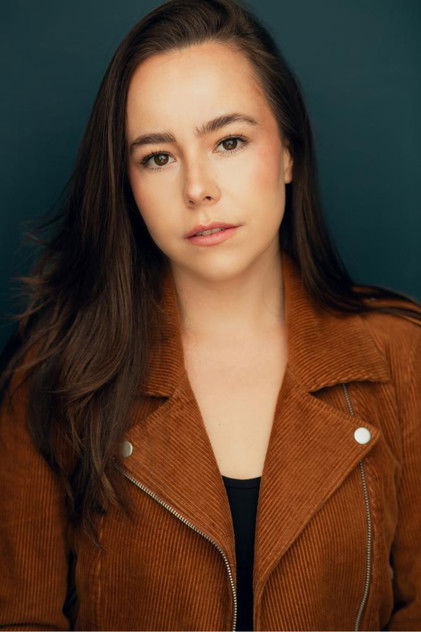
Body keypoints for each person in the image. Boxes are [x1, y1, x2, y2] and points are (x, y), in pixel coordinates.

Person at [1, 0, 420, 630]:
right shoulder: (51, 377)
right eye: (158, 156)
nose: (197, 188)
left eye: (229, 141)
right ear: (127, 183)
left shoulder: (403, 355)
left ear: (287, 152)